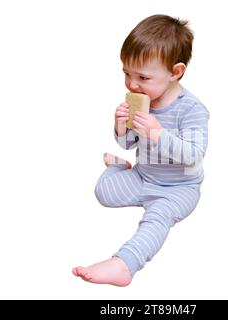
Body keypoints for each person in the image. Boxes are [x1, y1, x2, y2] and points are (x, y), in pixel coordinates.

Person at [72, 14, 210, 286]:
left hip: (178, 188)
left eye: (143, 77)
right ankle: (119, 167)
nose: (132, 84)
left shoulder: (192, 109)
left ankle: (125, 264)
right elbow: (130, 144)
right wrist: (121, 129)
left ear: (175, 72)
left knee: (157, 218)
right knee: (104, 192)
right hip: (144, 176)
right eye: (127, 73)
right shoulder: (143, 100)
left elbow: (194, 154)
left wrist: (157, 133)